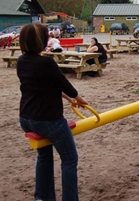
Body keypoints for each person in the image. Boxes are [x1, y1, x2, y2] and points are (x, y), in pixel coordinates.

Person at [16, 23, 88, 201]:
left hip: (26, 118)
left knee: (44, 155)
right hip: (48, 121)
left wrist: (69, 99)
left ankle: (42, 197)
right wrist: (78, 98)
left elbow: (45, 86)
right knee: (69, 159)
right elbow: (64, 84)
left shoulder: (21, 61)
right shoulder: (47, 62)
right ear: (41, 41)